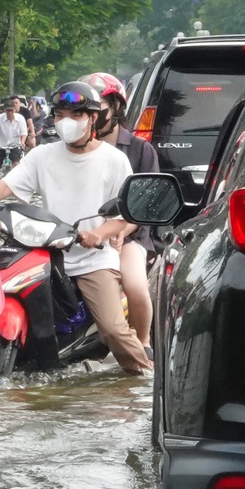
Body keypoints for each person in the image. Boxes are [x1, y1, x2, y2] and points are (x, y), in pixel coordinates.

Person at [0, 80, 151, 374]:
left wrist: (98, 234)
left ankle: (145, 375)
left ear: (92, 118)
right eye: (60, 115)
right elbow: (7, 186)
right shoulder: (42, 156)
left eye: (75, 115)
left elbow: (128, 216)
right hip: (45, 254)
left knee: (112, 329)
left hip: (93, 258)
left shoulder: (114, 160)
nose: (66, 122)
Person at [85, 70, 159, 354]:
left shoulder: (141, 150)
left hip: (129, 237)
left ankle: (143, 345)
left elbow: (145, 205)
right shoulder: (75, 149)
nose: (89, 117)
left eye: (95, 110)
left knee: (135, 285)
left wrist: (121, 232)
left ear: (115, 108)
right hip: (82, 235)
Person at [0, 95, 33, 175]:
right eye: (7, 110)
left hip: (15, 144)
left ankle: (16, 181)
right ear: (4, 110)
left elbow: (24, 132)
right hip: (0, 145)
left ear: (15, 110)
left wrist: (22, 142)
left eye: (11, 110)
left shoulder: (20, 118)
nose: (9, 112)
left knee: (16, 163)